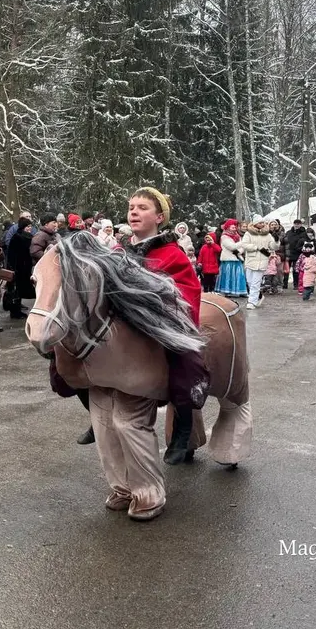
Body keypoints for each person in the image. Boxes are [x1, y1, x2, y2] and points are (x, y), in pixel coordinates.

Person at [124, 187, 209, 465]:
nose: (134, 211)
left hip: (161, 326)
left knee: (184, 363)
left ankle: (183, 427)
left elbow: (187, 292)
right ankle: (93, 406)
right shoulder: (119, 250)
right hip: (125, 324)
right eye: (131, 207)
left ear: (160, 217)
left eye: (142, 207)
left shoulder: (173, 254)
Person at [240, 218, 276, 310]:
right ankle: (258, 296)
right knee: (250, 281)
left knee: (256, 282)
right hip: (251, 260)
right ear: (255, 223)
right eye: (260, 222)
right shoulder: (248, 234)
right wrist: (255, 247)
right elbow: (244, 244)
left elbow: (273, 246)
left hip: (262, 260)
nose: (262, 224)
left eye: (263, 222)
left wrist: (276, 241)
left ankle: (251, 301)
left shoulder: (267, 234)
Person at [6, 217, 35, 319]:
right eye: (27, 226)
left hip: (25, 268)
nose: (29, 228)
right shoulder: (17, 237)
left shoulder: (28, 237)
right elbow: (11, 254)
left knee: (20, 290)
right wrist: (12, 268)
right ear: (23, 227)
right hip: (18, 268)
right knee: (16, 291)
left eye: (30, 226)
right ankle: (15, 312)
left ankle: (17, 310)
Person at [215, 219, 247, 297]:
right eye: (232, 227)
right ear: (228, 227)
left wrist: (240, 251)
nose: (234, 228)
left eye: (234, 227)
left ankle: (240, 290)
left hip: (237, 258)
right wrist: (243, 243)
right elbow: (231, 246)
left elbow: (242, 247)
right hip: (228, 258)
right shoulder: (224, 236)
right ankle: (227, 290)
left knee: (239, 275)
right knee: (228, 275)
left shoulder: (237, 236)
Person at [284, 219, 307, 289]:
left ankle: (296, 284)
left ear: (301, 224)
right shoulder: (288, 232)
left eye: (298, 224)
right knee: (286, 270)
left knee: (296, 270)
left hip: (297, 254)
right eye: (295, 223)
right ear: (293, 224)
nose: (296, 225)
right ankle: (285, 284)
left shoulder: (304, 233)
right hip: (288, 254)